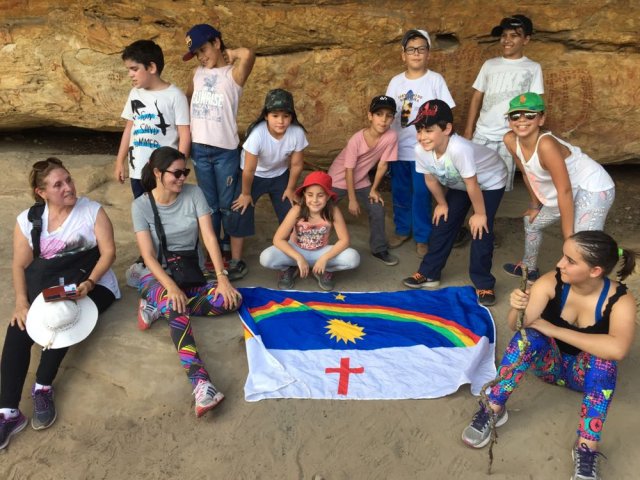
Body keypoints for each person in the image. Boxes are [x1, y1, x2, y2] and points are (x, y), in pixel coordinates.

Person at [461, 231, 636, 480]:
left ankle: (586, 446)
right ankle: (493, 407)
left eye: (570, 261)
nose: (559, 263)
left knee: (604, 361)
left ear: (595, 271)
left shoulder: (620, 299)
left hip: (585, 376)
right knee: (528, 337)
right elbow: (518, 326)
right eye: (563, 256)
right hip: (548, 367)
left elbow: (618, 349)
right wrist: (518, 307)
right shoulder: (551, 282)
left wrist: (553, 329)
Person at [0, 158, 120, 449]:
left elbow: (108, 253)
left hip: (94, 283)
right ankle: (8, 412)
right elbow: (20, 265)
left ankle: (42, 386)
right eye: (58, 185)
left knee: (63, 315)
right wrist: (21, 303)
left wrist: (90, 282)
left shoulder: (91, 211)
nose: (68, 187)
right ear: (42, 192)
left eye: (69, 180)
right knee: (18, 328)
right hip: (51, 284)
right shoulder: (29, 220)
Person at [131, 146, 241, 418]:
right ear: (158, 173)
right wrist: (169, 287)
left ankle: (156, 307)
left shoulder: (194, 194)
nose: (183, 178)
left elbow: (209, 237)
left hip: (190, 272)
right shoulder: (141, 205)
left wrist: (222, 278)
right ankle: (202, 384)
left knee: (231, 300)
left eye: (185, 172)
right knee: (175, 305)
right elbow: (148, 256)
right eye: (176, 173)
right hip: (155, 274)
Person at [400, 100, 506, 306]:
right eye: (419, 130)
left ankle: (484, 283)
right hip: (461, 182)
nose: (422, 136)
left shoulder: (459, 149)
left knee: (480, 229)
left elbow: (473, 184)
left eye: (429, 130)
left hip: (488, 181)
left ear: (447, 129)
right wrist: (442, 203)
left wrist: (479, 214)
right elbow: (430, 179)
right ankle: (429, 273)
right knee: (443, 222)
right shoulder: (420, 149)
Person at [501, 92, 615, 281]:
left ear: (541, 119)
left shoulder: (546, 144)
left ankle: (585, 286)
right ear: (509, 120)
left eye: (529, 115)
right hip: (565, 189)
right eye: (515, 115)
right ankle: (529, 269)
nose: (522, 120)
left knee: (582, 245)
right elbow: (527, 173)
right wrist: (535, 204)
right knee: (531, 222)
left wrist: (568, 235)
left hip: (593, 186)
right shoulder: (510, 140)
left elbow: (565, 190)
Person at [183, 23, 256, 265]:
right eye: (197, 54)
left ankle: (228, 247)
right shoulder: (197, 74)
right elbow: (187, 97)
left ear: (216, 42)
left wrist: (230, 52)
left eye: (204, 49)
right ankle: (212, 252)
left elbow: (248, 54)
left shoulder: (233, 75)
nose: (201, 57)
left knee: (227, 203)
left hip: (225, 150)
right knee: (209, 204)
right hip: (199, 149)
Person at [385, 28, 455, 258]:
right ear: (403, 55)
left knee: (422, 193)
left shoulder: (435, 80)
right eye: (411, 49)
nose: (416, 54)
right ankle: (402, 229)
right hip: (398, 148)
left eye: (421, 49)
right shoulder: (396, 82)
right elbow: (388, 112)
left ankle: (423, 236)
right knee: (400, 191)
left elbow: (446, 113)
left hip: (424, 150)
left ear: (428, 54)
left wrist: (442, 147)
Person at [227, 89, 308, 280]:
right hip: (253, 176)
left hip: (279, 174)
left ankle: (290, 259)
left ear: (292, 117)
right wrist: (246, 194)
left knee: (291, 211)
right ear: (266, 116)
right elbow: (249, 170)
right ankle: (236, 260)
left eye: (286, 116)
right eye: (275, 115)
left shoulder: (297, 132)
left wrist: (290, 188)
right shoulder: (257, 134)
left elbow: (297, 164)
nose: (281, 121)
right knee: (240, 210)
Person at [463, 14, 544, 193]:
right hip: (482, 133)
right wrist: (469, 130)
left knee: (497, 185)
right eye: (504, 35)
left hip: (509, 135)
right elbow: (477, 96)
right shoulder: (490, 65)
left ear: (526, 40)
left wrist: (529, 136)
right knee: (470, 179)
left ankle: (489, 210)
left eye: (514, 36)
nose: (507, 40)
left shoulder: (533, 68)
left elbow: (535, 104)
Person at [328, 95, 399, 267]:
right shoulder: (357, 139)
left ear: (392, 119)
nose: (383, 119)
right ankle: (311, 245)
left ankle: (379, 249)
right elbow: (348, 170)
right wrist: (352, 200)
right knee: (322, 210)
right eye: (379, 114)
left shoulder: (391, 136)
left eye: (388, 115)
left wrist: (374, 189)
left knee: (377, 208)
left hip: (361, 180)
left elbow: (383, 165)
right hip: (338, 179)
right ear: (370, 116)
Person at [114, 39, 191, 199]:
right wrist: (120, 161)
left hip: (164, 172)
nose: (130, 74)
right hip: (137, 171)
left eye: (134, 69)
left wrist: (179, 170)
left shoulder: (175, 96)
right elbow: (129, 128)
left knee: (166, 209)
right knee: (142, 208)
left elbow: (184, 134)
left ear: (151, 67)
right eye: (129, 69)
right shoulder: (135, 93)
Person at [260, 171, 360, 290]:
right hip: (295, 250)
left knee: (353, 258)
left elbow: (344, 240)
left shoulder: (333, 211)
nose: (315, 200)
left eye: (320, 195)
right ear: (304, 195)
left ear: (328, 196)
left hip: (321, 252)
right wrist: (298, 257)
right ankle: (289, 268)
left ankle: (325, 270)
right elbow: (278, 239)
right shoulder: (297, 210)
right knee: (266, 257)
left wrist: (325, 258)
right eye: (310, 195)